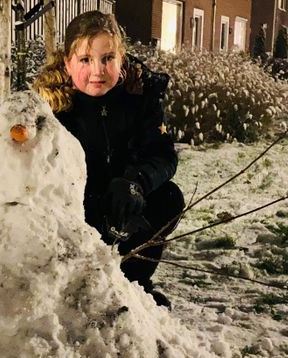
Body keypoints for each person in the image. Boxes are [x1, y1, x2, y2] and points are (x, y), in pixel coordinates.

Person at [33, 11, 185, 308]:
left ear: (122, 58)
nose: (98, 70)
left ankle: (134, 285)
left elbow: (162, 154)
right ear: (67, 62)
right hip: (77, 207)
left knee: (169, 197)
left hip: (127, 200)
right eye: (86, 60)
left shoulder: (140, 96)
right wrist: (91, 202)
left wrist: (135, 183)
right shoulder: (51, 108)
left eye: (108, 58)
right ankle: (75, 290)